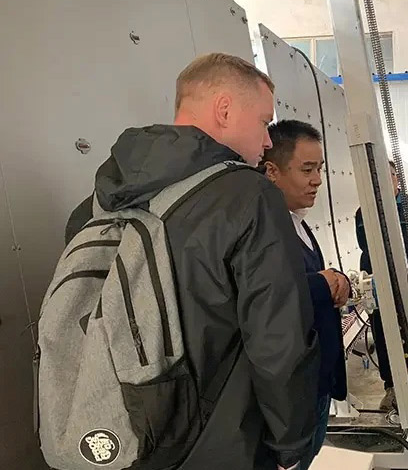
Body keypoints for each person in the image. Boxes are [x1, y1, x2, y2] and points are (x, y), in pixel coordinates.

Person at [65, 53, 320, 470]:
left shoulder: (97, 204)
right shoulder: (250, 196)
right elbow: (278, 340)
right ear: (224, 109)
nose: (267, 141)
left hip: (126, 434)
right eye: (263, 122)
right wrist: (291, 445)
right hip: (223, 443)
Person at [261, 119, 350, 470]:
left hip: (317, 381)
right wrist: (321, 284)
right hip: (294, 388)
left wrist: (336, 280)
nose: (317, 180)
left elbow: (305, 278)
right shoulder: (264, 230)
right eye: (307, 169)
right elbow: (270, 296)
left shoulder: (296, 222)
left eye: (320, 169)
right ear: (272, 171)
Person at [354, 160, 408, 410]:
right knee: (384, 335)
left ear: (398, 178)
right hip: (381, 286)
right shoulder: (364, 211)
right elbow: (365, 247)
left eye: (391, 176)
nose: (386, 182)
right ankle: (391, 388)